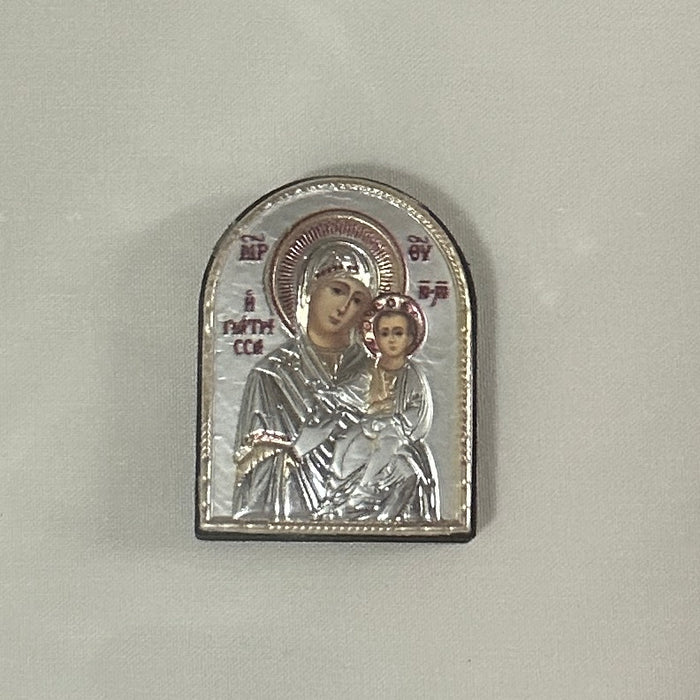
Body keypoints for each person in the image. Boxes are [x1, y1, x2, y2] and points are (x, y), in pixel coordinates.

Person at [231, 240, 438, 523]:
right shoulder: (271, 376)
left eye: (358, 300)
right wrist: (300, 447)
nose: (344, 307)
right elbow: (253, 478)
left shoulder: (379, 369)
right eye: (337, 290)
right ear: (309, 290)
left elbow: (411, 439)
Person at [320, 298, 440, 522]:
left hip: (396, 430)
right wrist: (333, 396)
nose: (391, 339)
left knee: (386, 446)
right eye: (384, 333)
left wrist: (394, 422)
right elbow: (352, 392)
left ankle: (365, 489)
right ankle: (334, 496)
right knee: (344, 442)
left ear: (410, 338)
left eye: (398, 333)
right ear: (374, 337)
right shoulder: (370, 370)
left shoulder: (412, 374)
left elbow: (419, 409)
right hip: (368, 425)